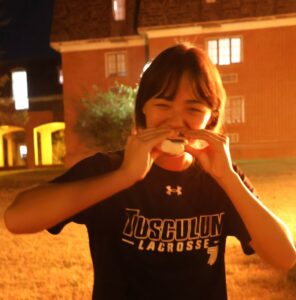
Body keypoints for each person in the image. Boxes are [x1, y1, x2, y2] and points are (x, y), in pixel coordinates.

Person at [4, 43, 296, 300]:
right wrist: (124, 177)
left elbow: (284, 257)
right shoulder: (108, 169)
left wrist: (229, 178)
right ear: (143, 109)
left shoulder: (221, 177)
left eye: (193, 109)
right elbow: (17, 218)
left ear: (212, 117)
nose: (175, 121)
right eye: (163, 104)